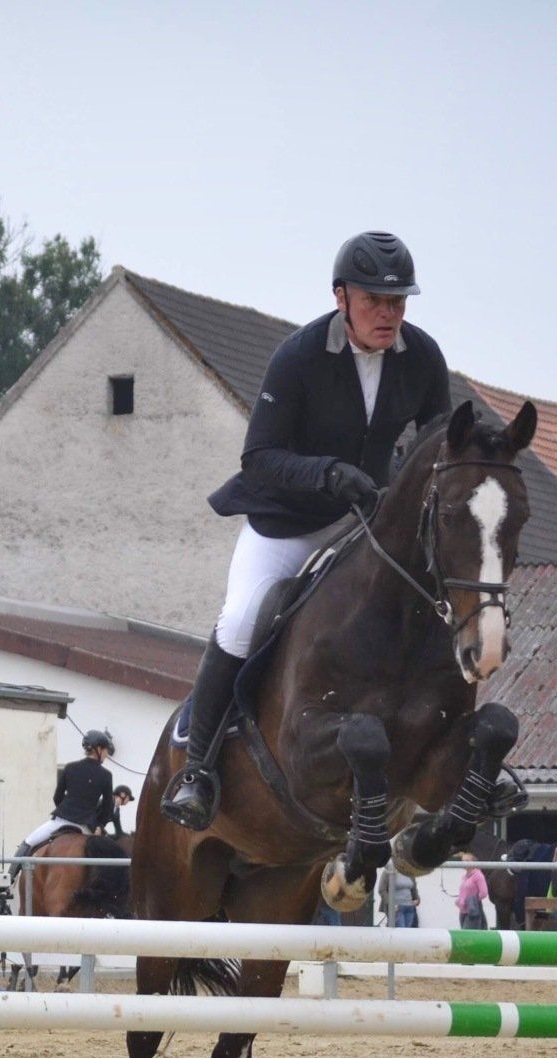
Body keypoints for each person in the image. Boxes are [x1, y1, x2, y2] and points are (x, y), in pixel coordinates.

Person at [161, 232, 454, 832]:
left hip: (365, 520)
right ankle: (198, 769)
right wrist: (327, 474)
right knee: (242, 618)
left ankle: (457, 747)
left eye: (397, 302)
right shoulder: (297, 357)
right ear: (341, 297)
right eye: (374, 301)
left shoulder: (422, 357)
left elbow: (440, 445)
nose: (388, 314)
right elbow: (259, 456)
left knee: (435, 606)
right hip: (287, 525)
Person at [15, 732, 118, 859]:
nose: (107, 754)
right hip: (87, 827)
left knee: (27, 843)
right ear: (99, 749)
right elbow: (107, 807)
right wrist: (99, 826)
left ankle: (12, 871)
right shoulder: (106, 775)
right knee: (108, 859)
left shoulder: (70, 768)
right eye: (106, 750)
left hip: (60, 821)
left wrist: (67, 811)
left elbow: (57, 797)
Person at [454, 854, 491, 929]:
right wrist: (459, 900)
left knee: (467, 933)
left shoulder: (478, 875)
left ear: (474, 862)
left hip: (473, 909)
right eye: (463, 861)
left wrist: (472, 900)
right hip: (463, 910)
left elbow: (484, 893)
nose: (464, 863)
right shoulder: (465, 876)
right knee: (464, 931)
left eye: (467, 861)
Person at [381, 865, 419, 929]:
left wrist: (417, 899)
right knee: (400, 929)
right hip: (397, 908)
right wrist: (391, 905)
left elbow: (414, 889)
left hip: (409, 907)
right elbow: (382, 889)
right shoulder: (389, 871)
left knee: (408, 931)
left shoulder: (409, 872)